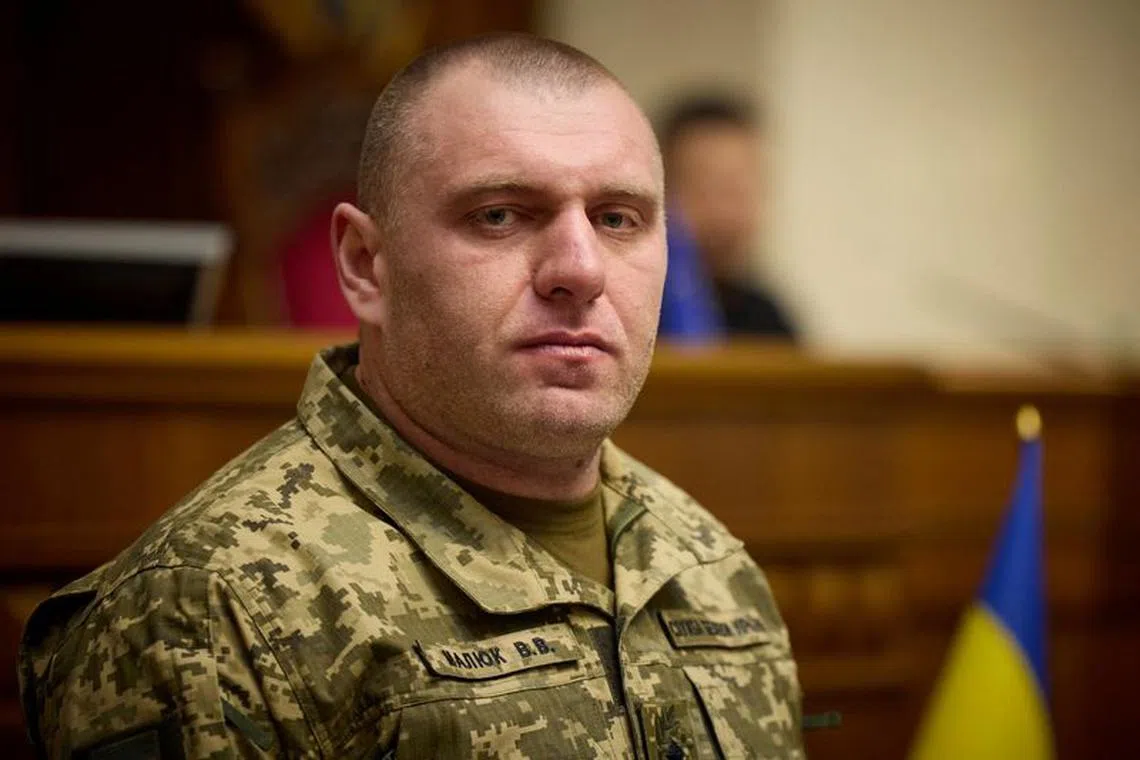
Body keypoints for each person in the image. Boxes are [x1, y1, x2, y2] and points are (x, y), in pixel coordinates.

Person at [20, 34, 805, 759]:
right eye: (499, 215)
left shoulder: (710, 567)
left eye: (617, 218)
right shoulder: (204, 612)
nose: (581, 268)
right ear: (366, 263)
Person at [660, 95, 799, 340]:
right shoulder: (635, 308)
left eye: (738, 191)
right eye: (705, 191)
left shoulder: (767, 318)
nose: (724, 214)